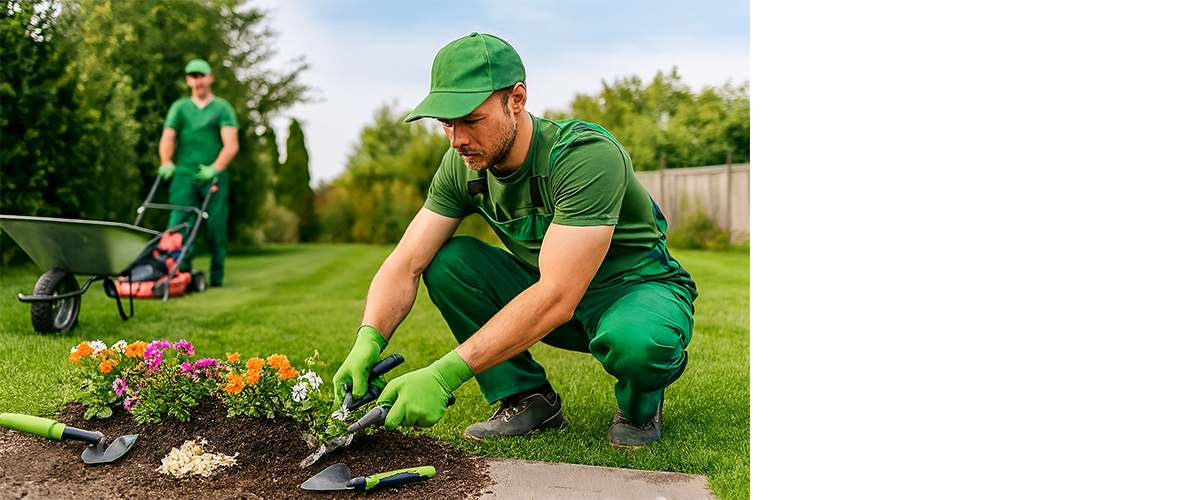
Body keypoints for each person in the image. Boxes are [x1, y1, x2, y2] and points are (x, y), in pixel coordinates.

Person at [332, 33, 697, 449]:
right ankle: (526, 398)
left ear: (517, 99)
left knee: (638, 343)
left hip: (634, 293)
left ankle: (640, 406)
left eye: (471, 120)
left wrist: (442, 374)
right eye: (446, 124)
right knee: (447, 260)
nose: (457, 139)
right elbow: (405, 262)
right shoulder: (462, 166)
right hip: (555, 297)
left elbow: (558, 294)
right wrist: (368, 338)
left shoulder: (583, 155)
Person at [157, 58, 239, 287]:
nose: (198, 80)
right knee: (179, 225)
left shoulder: (222, 108)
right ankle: (179, 274)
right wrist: (166, 161)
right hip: (184, 174)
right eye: (193, 76)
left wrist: (216, 167)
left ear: (210, 77)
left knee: (216, 227)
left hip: (213, 175)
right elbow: (168, 136)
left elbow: (231, 144)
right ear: (188, 80)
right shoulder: (180, 107)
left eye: (201, 75)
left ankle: (216, 277)